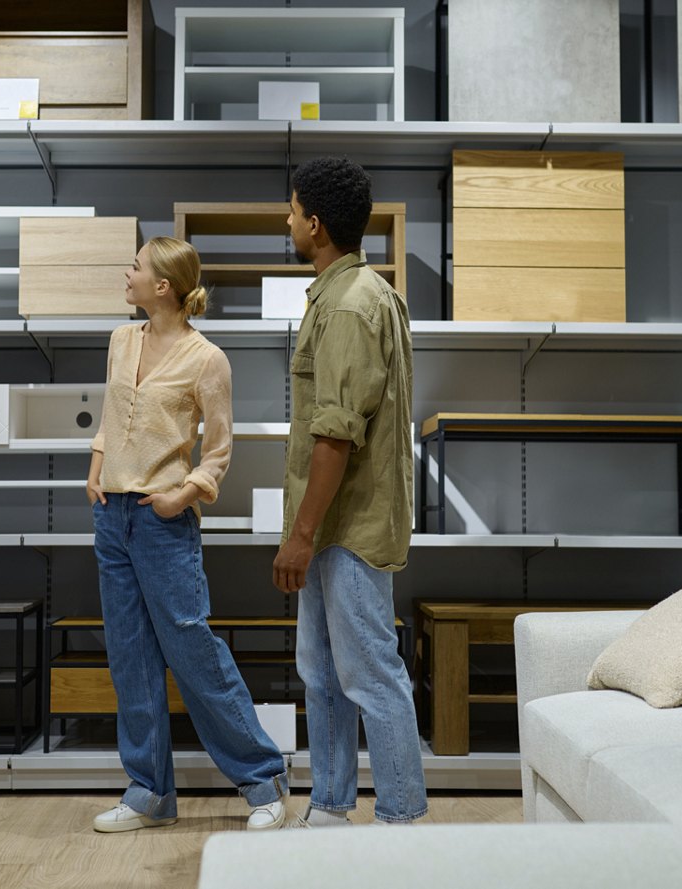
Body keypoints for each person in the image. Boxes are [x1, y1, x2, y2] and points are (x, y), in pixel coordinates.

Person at [88, 236, 291, 833]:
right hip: (112, 517)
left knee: (192, 650)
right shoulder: (122, 340)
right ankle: (149, 793)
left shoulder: (207, 359)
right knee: (130, 657)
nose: (128, 273)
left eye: (137, 267)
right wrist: (96, 468)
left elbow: (220, 449)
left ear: (163, 287)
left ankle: (264, 780)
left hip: (162, 520)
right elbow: (109, 416)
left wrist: (184, 494)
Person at [273, 157, 427, 826]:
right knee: (324, 672)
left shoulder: (349, 304)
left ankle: (400, 822)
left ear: (314, 223)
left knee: (370, 675)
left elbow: (335, 435)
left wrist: (300, 534)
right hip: (337, 525)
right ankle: (330, 807)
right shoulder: (362, 293)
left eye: (291, 209)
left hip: (347, 527)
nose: (286, 220)